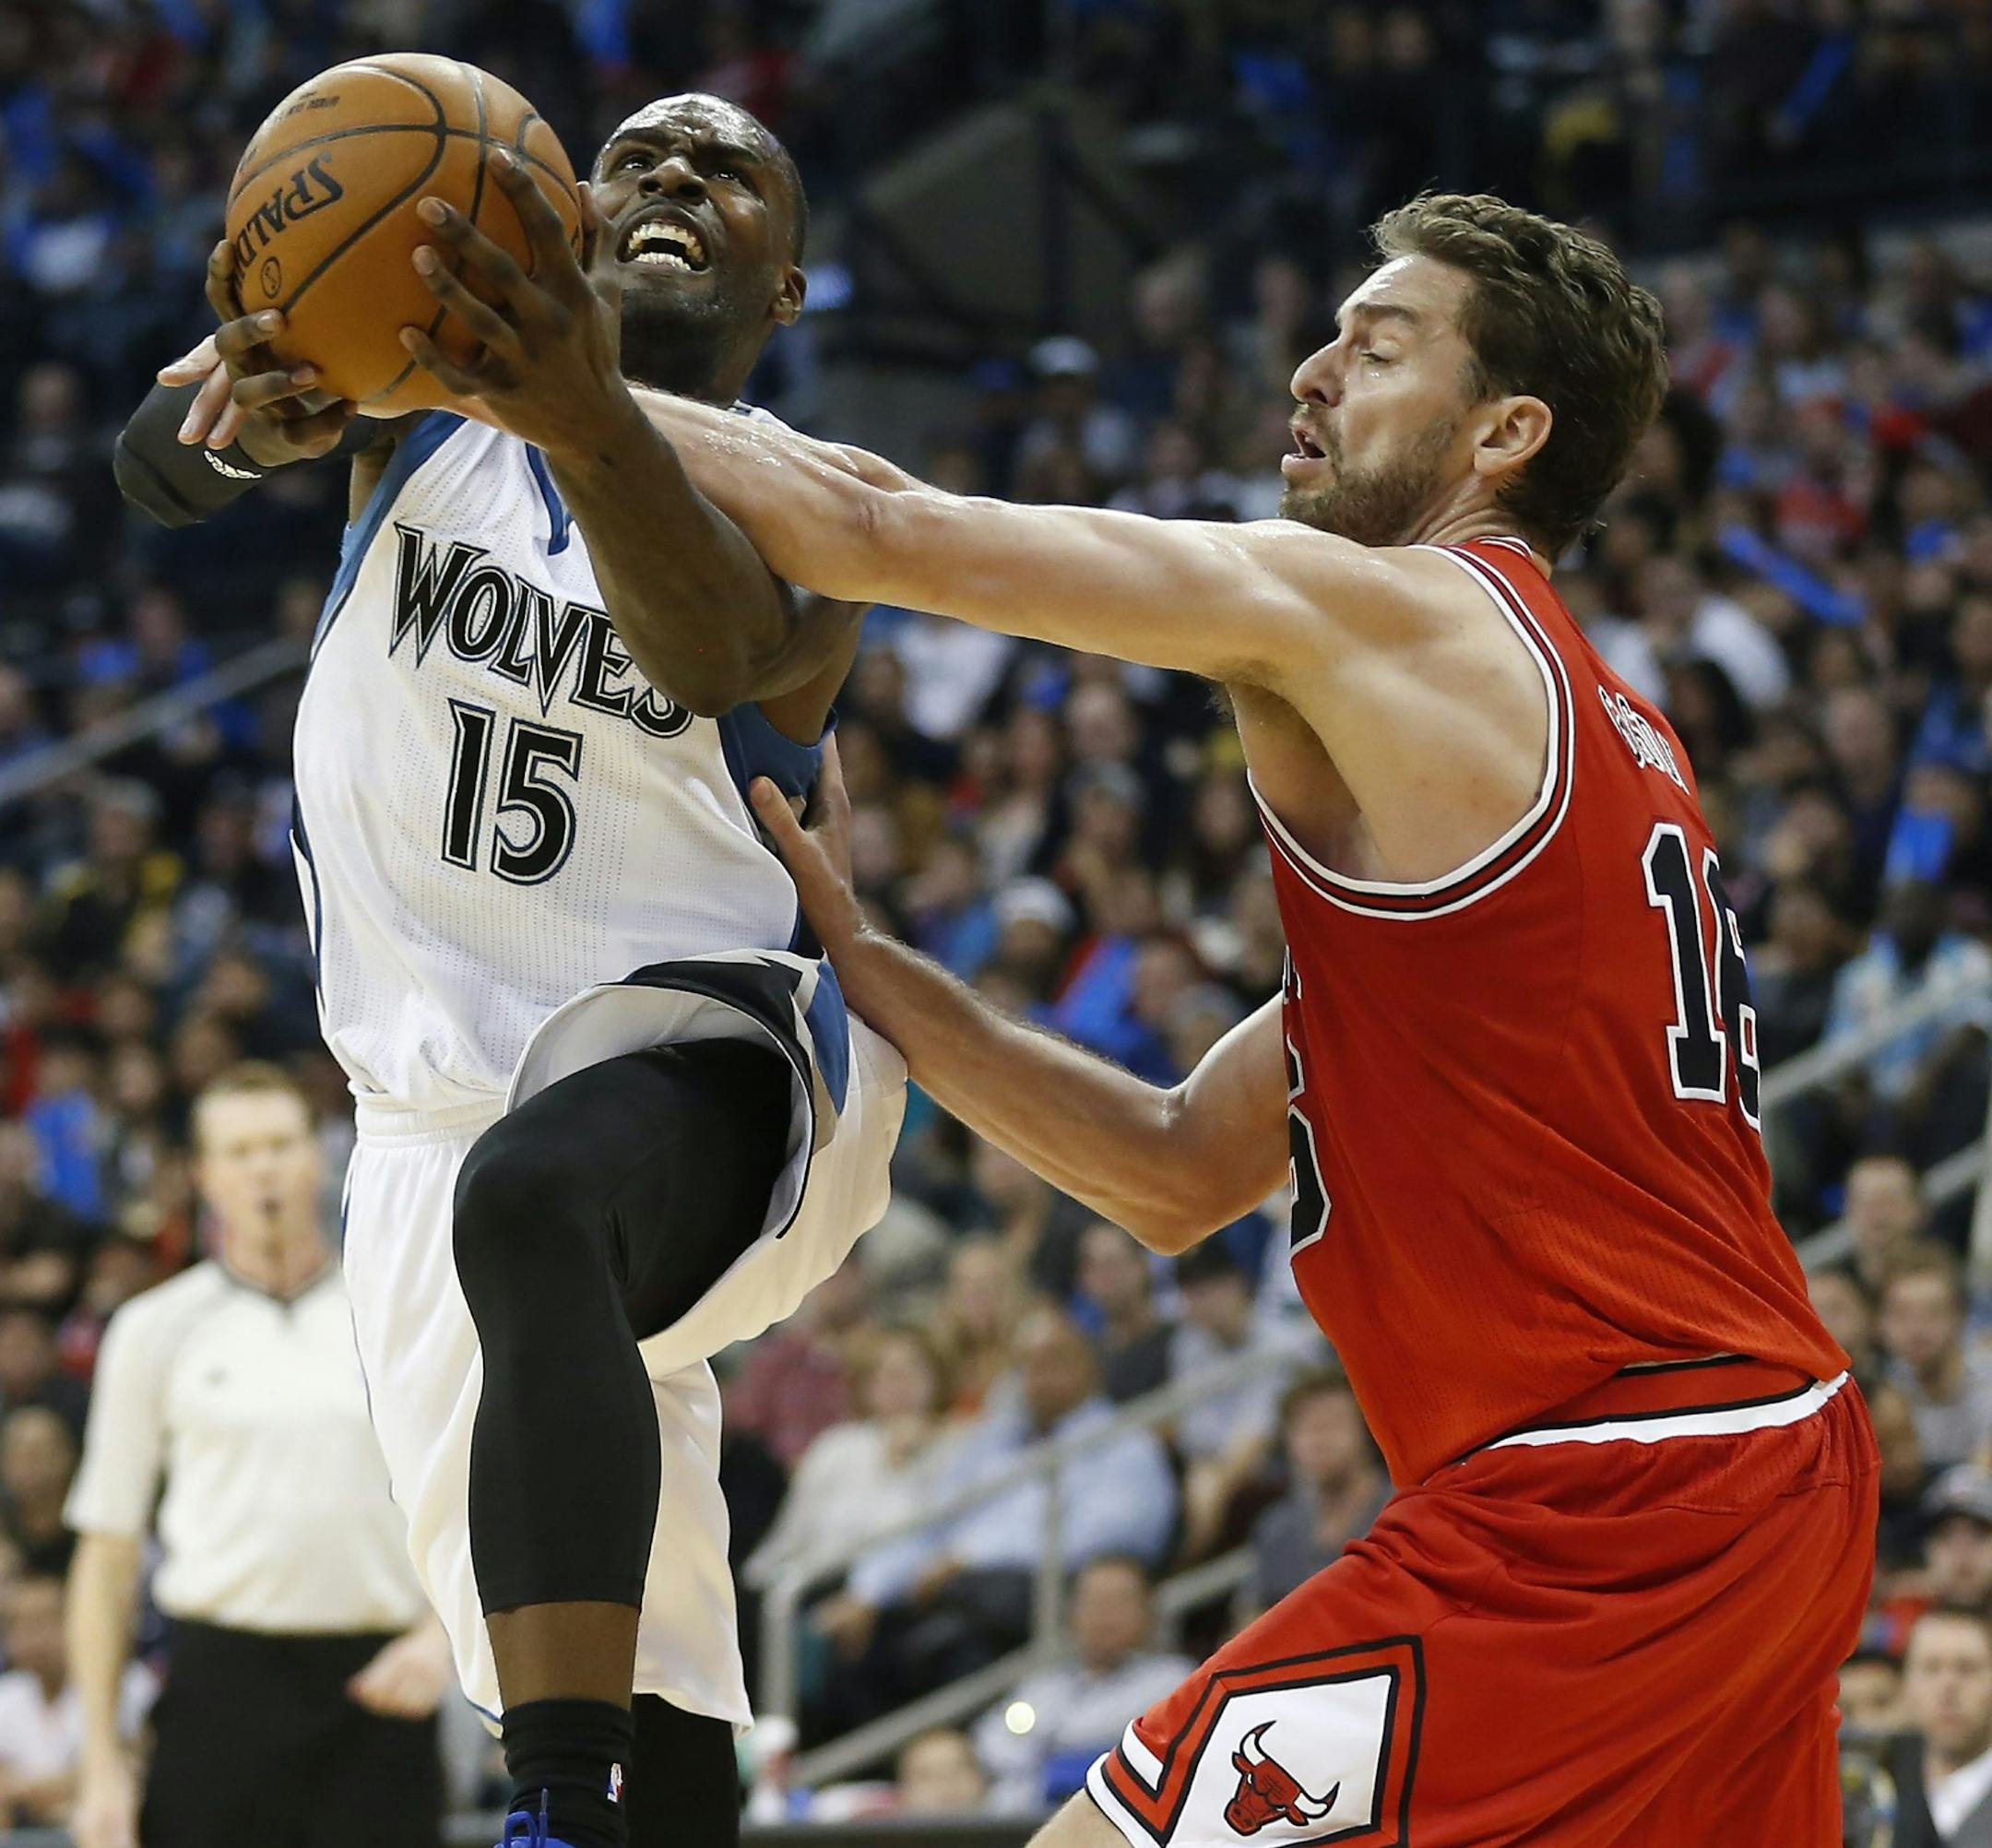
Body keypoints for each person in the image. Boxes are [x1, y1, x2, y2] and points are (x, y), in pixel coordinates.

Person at [626, 192, 1876, 1842]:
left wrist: (499, 369)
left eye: (1380, 342)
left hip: (1613, 1486)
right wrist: (867, 955)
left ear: (1505, 431)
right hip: (1746, 1468)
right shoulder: (1585, 732)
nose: (1313, 367)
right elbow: (1174, 1169)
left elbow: (872, 528)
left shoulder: (1399, 608)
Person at [123, 96, 906, 1848]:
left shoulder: (820, 509)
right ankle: (615, 1795)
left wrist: (558, 395)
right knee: (656, 1673)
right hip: (427, 1123)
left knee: (540, 1187)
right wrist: (258, 410)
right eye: (642, 158)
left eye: (735, 176)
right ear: (556, 209)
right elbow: (150, 469)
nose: (681, 184)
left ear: (786, 285)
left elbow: (707, 645)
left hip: (738, 1070)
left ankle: (541, 1817)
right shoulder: (409, 421)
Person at [65, 1064, 450, 1848]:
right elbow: (106, 1556)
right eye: (238, 1151)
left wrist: (441, 1637)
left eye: (279, 1144)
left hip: (376, 1691)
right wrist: (101, 1765)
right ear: (205, 1176)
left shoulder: (394, 1315)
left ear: (319, 1158)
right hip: (218, 1686)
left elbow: (476, 1500)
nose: (262, 1167)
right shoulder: (154, 1328)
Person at [972, 1558, 1194, 1816]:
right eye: (1093, 1602)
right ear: (1072, 1612)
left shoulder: (1175, 1680)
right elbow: (994, 1744)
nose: (1105, 1614)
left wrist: (1050, 1749)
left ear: (1148, 1611)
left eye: (1120, 1601)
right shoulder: (1044, 1685)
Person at [0, 1575, 150, 1830]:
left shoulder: (128, 1684)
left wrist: (26, 1791)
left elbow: (137, 1767)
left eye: (42, 1623)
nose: (31, 1638)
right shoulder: (7, 1695)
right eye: (17, 1626)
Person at [1245, 1370, 1389, 1616]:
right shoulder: (1278, 1528)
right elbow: (1251, 1617)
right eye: (1305, 1427)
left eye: (1333, 1423)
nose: (1318, 1438)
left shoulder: (1402, 1509)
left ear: (1367, 1429)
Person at [1883, 1245, 1992, 1471]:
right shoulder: (1883, 1396)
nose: (1917, 1329)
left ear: (1960, 1317)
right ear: (1881, 1322)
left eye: (1933, 1312)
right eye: (1902, 1314)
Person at [1893, 1608, 1992, 1847]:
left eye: (1967, 1668)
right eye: (1931, 1668)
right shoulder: (1874, 1796)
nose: (1948, 1687)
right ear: (1906, 1685)